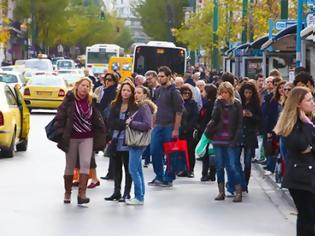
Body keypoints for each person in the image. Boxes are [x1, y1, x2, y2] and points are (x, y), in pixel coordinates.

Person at [54, 77, 107, 205]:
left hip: (87, 137)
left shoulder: (91, 101)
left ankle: (82, 194)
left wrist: (104, 132)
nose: (85, 88)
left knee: (85, 163)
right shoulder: (69, 100)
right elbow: (60, 116)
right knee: (70, 165)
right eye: (83, 85)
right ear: (77, 86)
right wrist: (61, 132)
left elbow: (98, 118)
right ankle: (67, 192)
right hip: (71, 137)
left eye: (88, 86)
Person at [274, 87, 315, 236]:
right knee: (307, 216)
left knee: (309, 217)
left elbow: (309, 146)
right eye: (309, 100)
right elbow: (301, 145)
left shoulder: (311, 120)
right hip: (300, 177)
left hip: (310, 174)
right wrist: (308, 126)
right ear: (298, 103)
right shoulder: (291, 123)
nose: (313, 103)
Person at [205, 82, 243, 202]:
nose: (224, 95)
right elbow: (214, 118)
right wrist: (218, 104)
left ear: (230, 93)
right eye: (222, 93)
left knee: (232, 166)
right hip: (218, 138)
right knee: (219, 166)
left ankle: (238, 192)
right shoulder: (218, 103)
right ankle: (221, 192)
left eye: (226, 92)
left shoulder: (237, 104)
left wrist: (235, 139)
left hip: (231, 139)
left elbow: (239, 124)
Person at [149, 66, 183, 187]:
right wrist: (153, 124)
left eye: (162, 76)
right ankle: (159, 176)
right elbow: (155, 109)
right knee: (154, 151)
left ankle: (168, 177)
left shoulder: (174, 92)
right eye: (158, 76)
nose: (160, 78)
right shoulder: (158, 90)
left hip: (170, 126)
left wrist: (176, 129)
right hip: (158, 125)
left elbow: (179, 112)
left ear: (169, 77)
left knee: (171, 154)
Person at [105, 81, 138, 202]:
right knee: (116, 167)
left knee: (128, 168)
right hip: (115, 139)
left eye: (128, 90)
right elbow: (111, 122)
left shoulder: (135, 106)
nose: (125, 92)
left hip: (128, 141)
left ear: (132, 92)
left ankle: (127, 193)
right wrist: (123, 123)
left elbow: (132, 124)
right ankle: (116, 191)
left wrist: (123, 124)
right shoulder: (114, 104)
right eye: (124, 90)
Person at [126, 86, 157, 205]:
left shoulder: (144, 107)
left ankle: (139, 197)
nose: (136, 95)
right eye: (135, 93)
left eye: (139, 93)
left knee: (133, 169)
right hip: (137, 142)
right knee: (138, 169)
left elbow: (147, 125)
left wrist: (131, 123)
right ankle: (140, 195)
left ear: (145, 95)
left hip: (137, 142)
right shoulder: (141, 106)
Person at [239, 82, 262, 188]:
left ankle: (245, 183)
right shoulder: (239, 103)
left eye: (250, 93)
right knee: (236, 160)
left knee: (248, 162)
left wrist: (251, 115)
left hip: (250, 134)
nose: (247, 95)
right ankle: (238, 181)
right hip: (239, 134)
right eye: (246, 92)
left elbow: (260, 120)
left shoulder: (256, 105)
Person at [177, 84, 199, 178]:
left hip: (189, 131)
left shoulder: (193, 103)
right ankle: (183, 169)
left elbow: (195, 117)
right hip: (180, 130)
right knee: (181, 151)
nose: (186, 94)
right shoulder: (178, 103)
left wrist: (188, 128)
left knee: (190, 151)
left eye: (188, 93)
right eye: (184, 93)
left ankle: (190, 170)